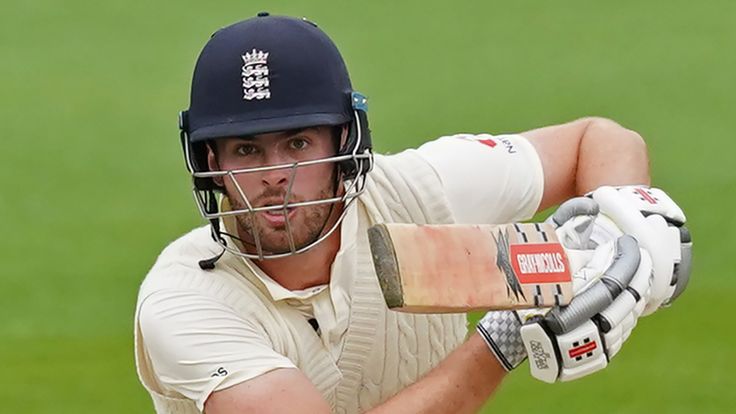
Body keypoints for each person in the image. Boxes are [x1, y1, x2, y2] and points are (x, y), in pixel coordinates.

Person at [134, 13, 691, 414]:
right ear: (211, 162)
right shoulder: (184, 303)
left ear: (344, 142)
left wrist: (618, 234)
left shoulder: (414, 191)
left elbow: (599, 140)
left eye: (299, 143)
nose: (275, 174)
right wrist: (503, 338)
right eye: (247, 150)